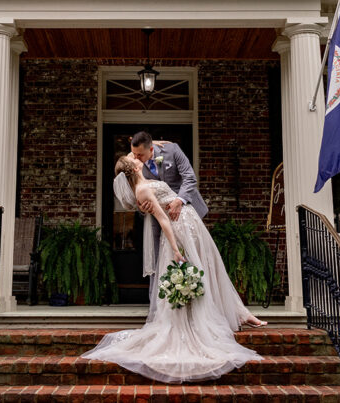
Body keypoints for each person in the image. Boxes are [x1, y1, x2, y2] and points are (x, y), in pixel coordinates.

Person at [80, 154, 267, 383]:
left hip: (188, 222)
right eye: (135, 158)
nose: (139, 157)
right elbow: (163, 220)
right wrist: (176, 249)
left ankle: (238, 313)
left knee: (209, 266)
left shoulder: (143, 183)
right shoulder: (142, 190)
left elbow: (134, 160)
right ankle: (195, 320)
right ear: (132, 167)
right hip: (178, 230)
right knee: (192, 271)